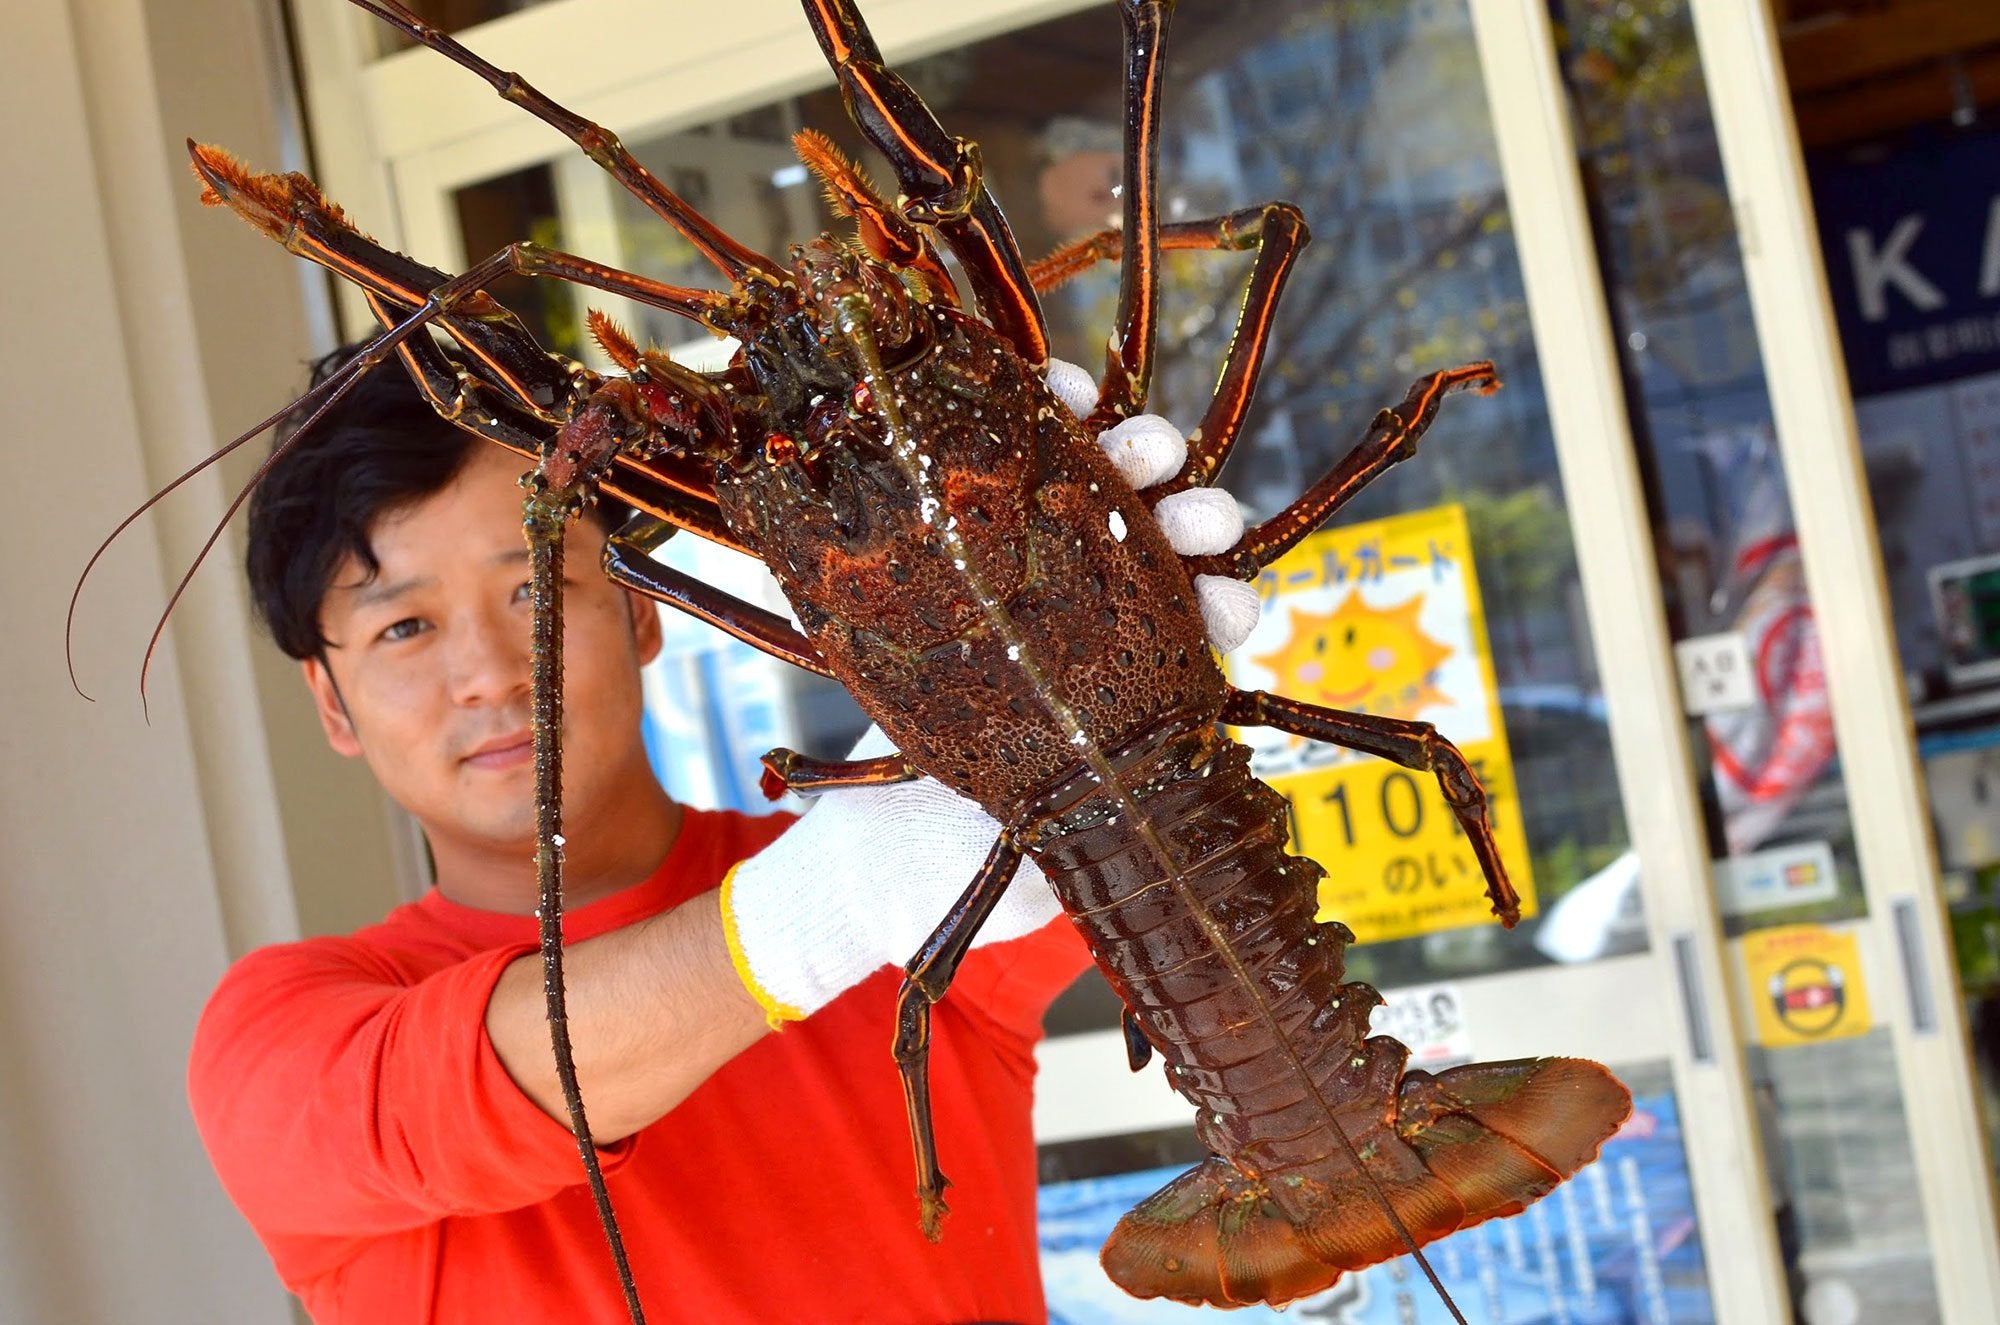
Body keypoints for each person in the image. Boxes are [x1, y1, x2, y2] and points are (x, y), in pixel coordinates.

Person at [187, 345, 1100, 1324]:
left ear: (640, 608)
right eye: (403, 627)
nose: (490, 674)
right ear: (330, 700)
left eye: (534, 589)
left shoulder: (924, 874)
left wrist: (1096, 580)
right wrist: (837, 897)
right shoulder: (277, 1036)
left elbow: (1141, 838)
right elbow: (479, 1092)